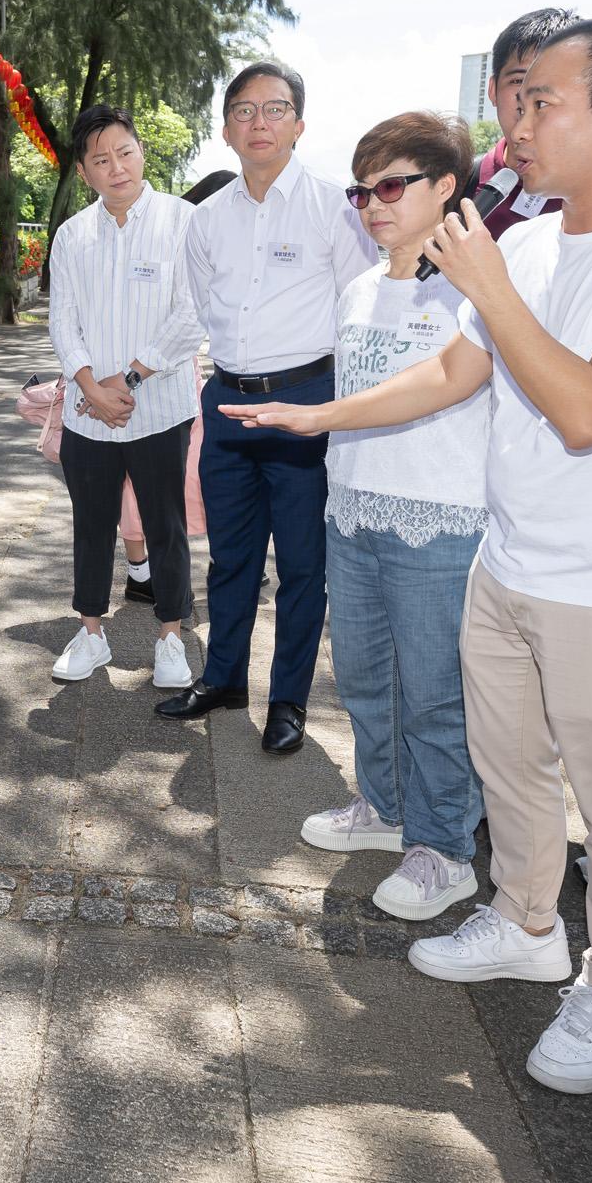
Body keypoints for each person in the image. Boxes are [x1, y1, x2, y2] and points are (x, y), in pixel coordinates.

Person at [231, 19, 592, 1095]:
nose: (517, 123)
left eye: (542, 101)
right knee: (509, 766)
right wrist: (317, 416)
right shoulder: (525, 242)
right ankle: (523, 919)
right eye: (515, 100)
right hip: (510, 562)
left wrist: (496, 290)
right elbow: (453, 375)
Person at [292, 113, 499, 923]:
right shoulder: (359, 287)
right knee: (366, 680)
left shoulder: (476, 284)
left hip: (441, 519)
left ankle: (445, 847)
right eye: (361, 189)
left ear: (445, 187)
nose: (372, 203)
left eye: (390, 185)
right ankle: (381, 808)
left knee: (438, 695)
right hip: (353, 506)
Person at [165, 60, 376, 754]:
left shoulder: (333, 209)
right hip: (227, 404)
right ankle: (223, 676)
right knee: (230, 558)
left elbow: (357, 309)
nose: (259, 122)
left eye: (275, 108)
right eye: (245, 110)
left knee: (302, 563)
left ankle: (287, 699)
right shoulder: (204, 221)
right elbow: (202, 306)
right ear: (226, 128)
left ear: (300, 124)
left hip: (306, 404)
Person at [44, 104, 202, 691]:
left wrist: (126, 380)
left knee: (166, 525)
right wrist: (90, 386)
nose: (117, 168)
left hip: (158, 407)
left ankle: (170, 637)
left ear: (142, 152)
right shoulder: (73, 235)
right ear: (84, 172)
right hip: (89, 414)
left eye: (125, 152)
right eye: (101, 160)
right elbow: (63, 321)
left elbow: (192, 315)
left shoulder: (184, 221)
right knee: (91, 524)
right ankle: (90, 633)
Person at [479, 6, 576, 228]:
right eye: (518, 81)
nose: (529, 97)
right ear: (492, 90)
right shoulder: (455, 184)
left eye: (548, 87)